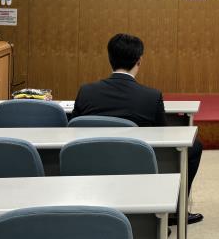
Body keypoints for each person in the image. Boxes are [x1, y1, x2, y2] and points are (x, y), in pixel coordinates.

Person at [72, 33, 203, 225]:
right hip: (136, 163)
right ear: (139, 60)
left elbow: (72, 131)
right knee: (194, 147)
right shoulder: (151, 97)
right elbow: (164, 137)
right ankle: (175, 211)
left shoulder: (86, 92)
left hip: (91, 162)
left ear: (109, 59)